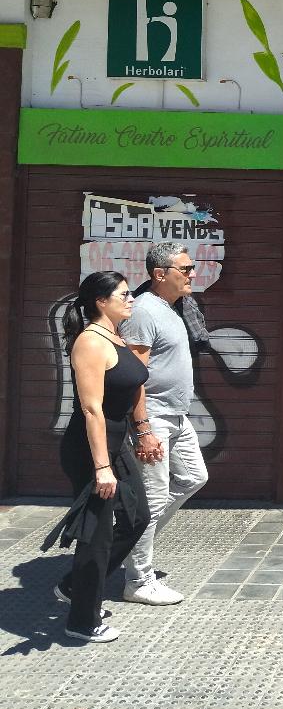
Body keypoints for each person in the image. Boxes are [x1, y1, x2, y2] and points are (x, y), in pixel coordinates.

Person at [51, 271, 152, 642]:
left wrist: (142, 430)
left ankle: (76, 586)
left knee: (138, 516)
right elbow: (92, 410)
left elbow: (133, 385)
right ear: (101, 301)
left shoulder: (115, 336)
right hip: (91, 448)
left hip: (117, 442)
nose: (131, 300)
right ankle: (82, 621)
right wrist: (102, 468)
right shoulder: (90, 343)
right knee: (97, 535)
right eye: (124, 295)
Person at [121, 242, 209, 606]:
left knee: (193, 477)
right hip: (153, 416)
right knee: (152, 500)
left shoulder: (174, 308)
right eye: (185, 269)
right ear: (160, 274)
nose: (192, 274)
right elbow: (134, 375)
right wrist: (142, 429)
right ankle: (137, 579)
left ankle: (128, 543)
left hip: (176, 414)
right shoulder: (143, 312)